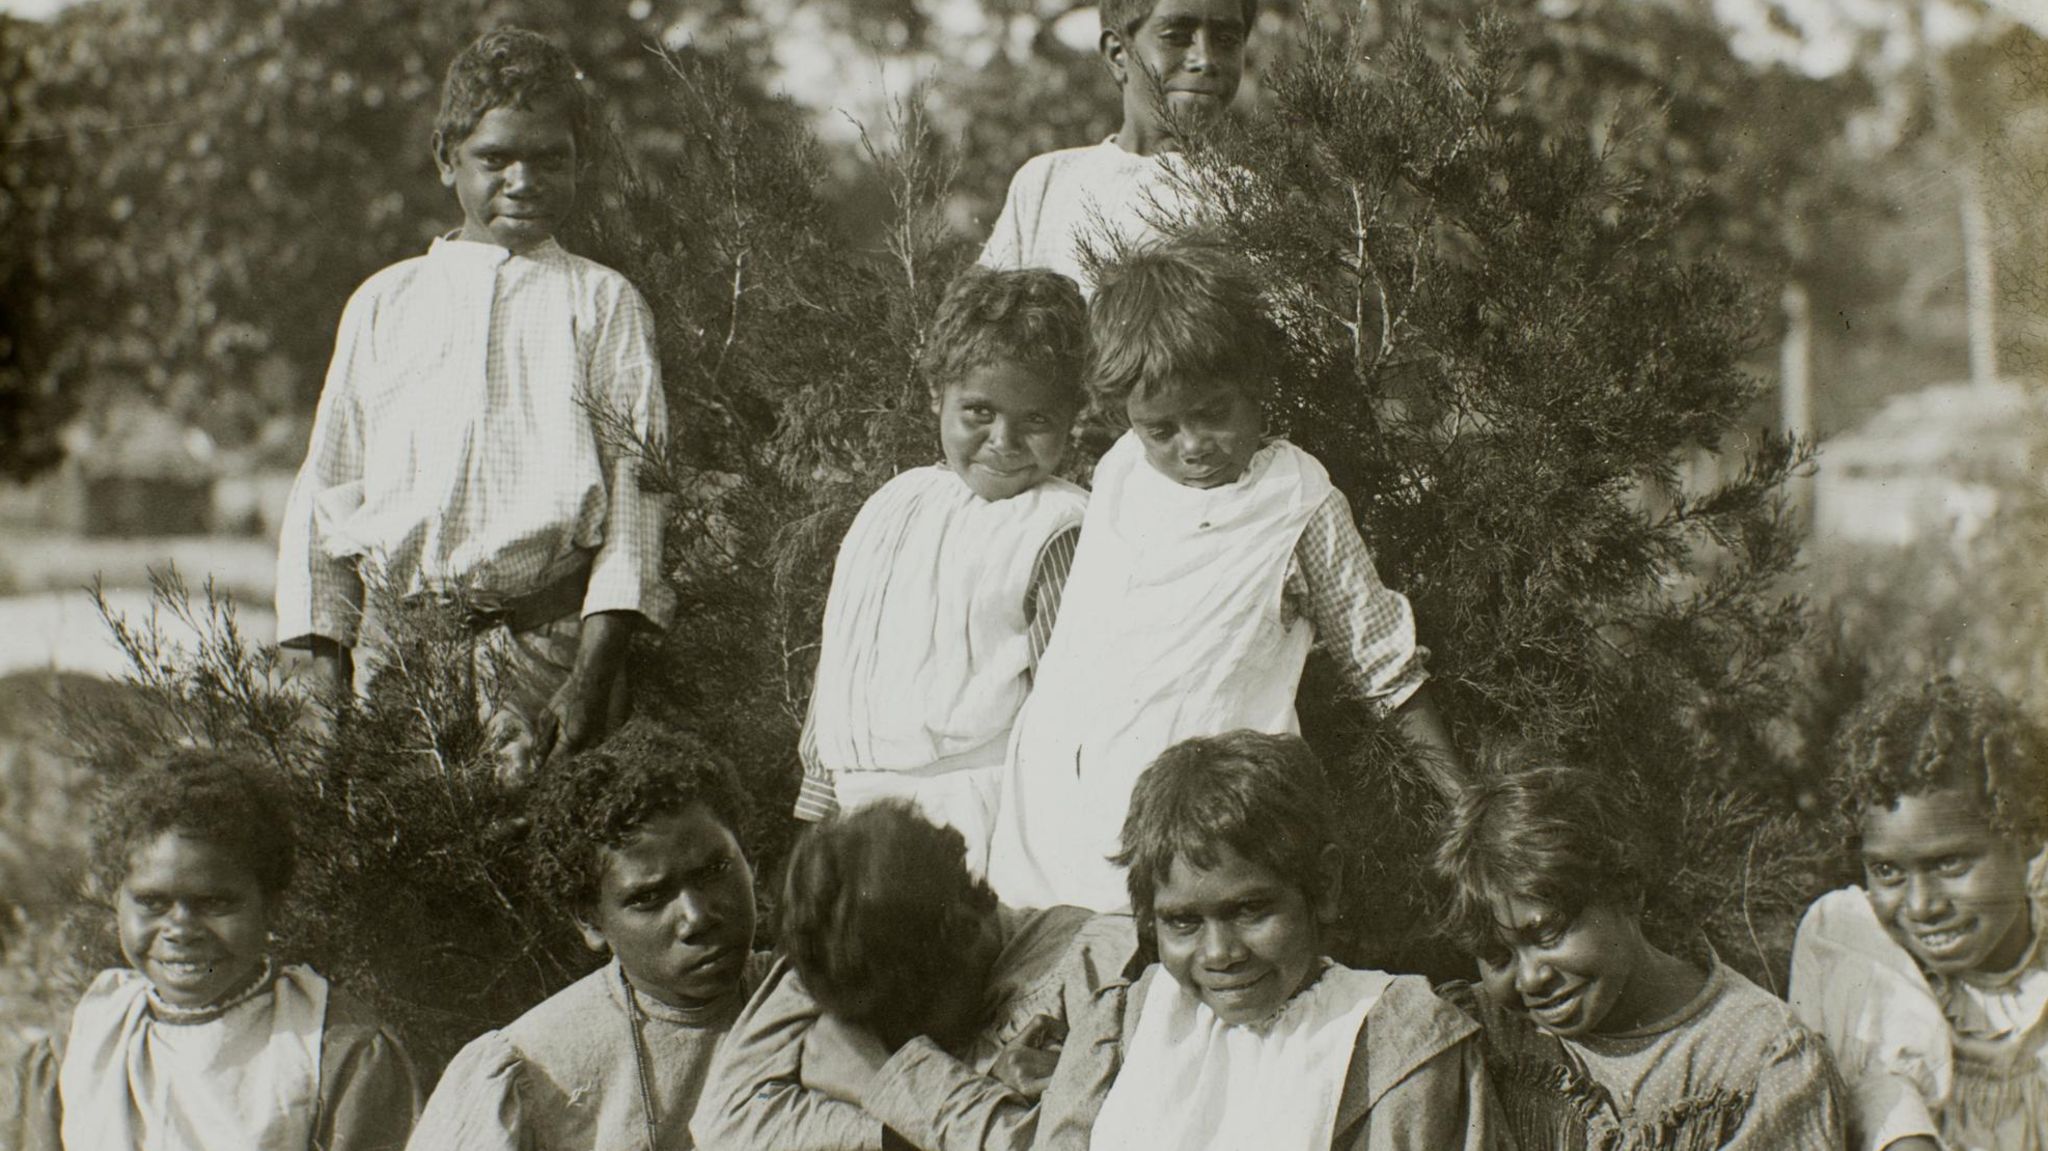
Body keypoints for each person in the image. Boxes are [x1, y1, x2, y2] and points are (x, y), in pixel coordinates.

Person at [984, 237, 1459, 913]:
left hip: (1209, 833)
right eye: (1161, 429)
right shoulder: (1122, 470)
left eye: (1212, 413)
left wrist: (1464, 807)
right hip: (1056, 816)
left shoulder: (1297, 501)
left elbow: (1382, 665)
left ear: (1254, 385)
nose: (1192, 446)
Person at [275, 27, 671, 782]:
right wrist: (326, 681)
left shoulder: (603, 303)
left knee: (544, 841)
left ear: (580, 161)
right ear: (445, 158)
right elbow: (325, 489)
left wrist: (590, 677)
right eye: (495, 159)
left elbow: (636, 504)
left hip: (550, 655)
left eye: (550, 159)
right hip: (403, 654)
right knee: (401, 840)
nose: (524, 181)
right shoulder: (385, 303)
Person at [1039, 730, 1496, 1150]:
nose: (1220, 953)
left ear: (1324, 886)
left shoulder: (1397, 1041)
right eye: (1183, 922)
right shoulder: (1126, 1027)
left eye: (1250, 910)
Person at [793, 266, 1090, 876]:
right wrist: (818, 803)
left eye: (1036, 420)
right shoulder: (895, 501)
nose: (1003, 440)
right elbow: (844, 657)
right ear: (937, 395)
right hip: (854, 809)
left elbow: (1068, 704)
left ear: (1073, 416)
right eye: (978, 411)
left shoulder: (1060, 527)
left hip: (977, 815)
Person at [10, 749, 419, 1151]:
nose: (180, 930)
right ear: (117, 901)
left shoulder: (333, 1052)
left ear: (271, 906)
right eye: (152, 902)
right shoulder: (82, 1045)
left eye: (215, 903)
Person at [1435, 761, 1846, 1149]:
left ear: (1627, 891)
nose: (1529, 978)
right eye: (1498, 957)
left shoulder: (1757, 1058)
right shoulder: (1474, 1031)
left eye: (1548, 934)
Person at [689, 801, 1137, 1151]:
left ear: (963, 930)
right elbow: (724, 1127)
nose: (888, 1037)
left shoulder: (1095, 963)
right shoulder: (860, 962)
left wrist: (888, 1078)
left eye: (903, 1019)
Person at [406, 720, 766, 1150]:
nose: (697, 916)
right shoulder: (535, 1069)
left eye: (715, 869)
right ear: (590, 923)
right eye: (649, 898)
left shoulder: (813, 993)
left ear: (749, 861)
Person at [1790, 676, 2048, 1151]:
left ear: (2028, 835)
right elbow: (1884, 1106)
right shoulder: (1861, 951)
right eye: (1887, 871)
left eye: (1950, 864)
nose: (1921, 906)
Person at [978, 0, 1252, 294]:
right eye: (1176, 37)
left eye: (1227, 40)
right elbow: (989, 313)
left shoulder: (1245, 197)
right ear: (1118, 53)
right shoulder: (1047, 180)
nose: (1206, 59)